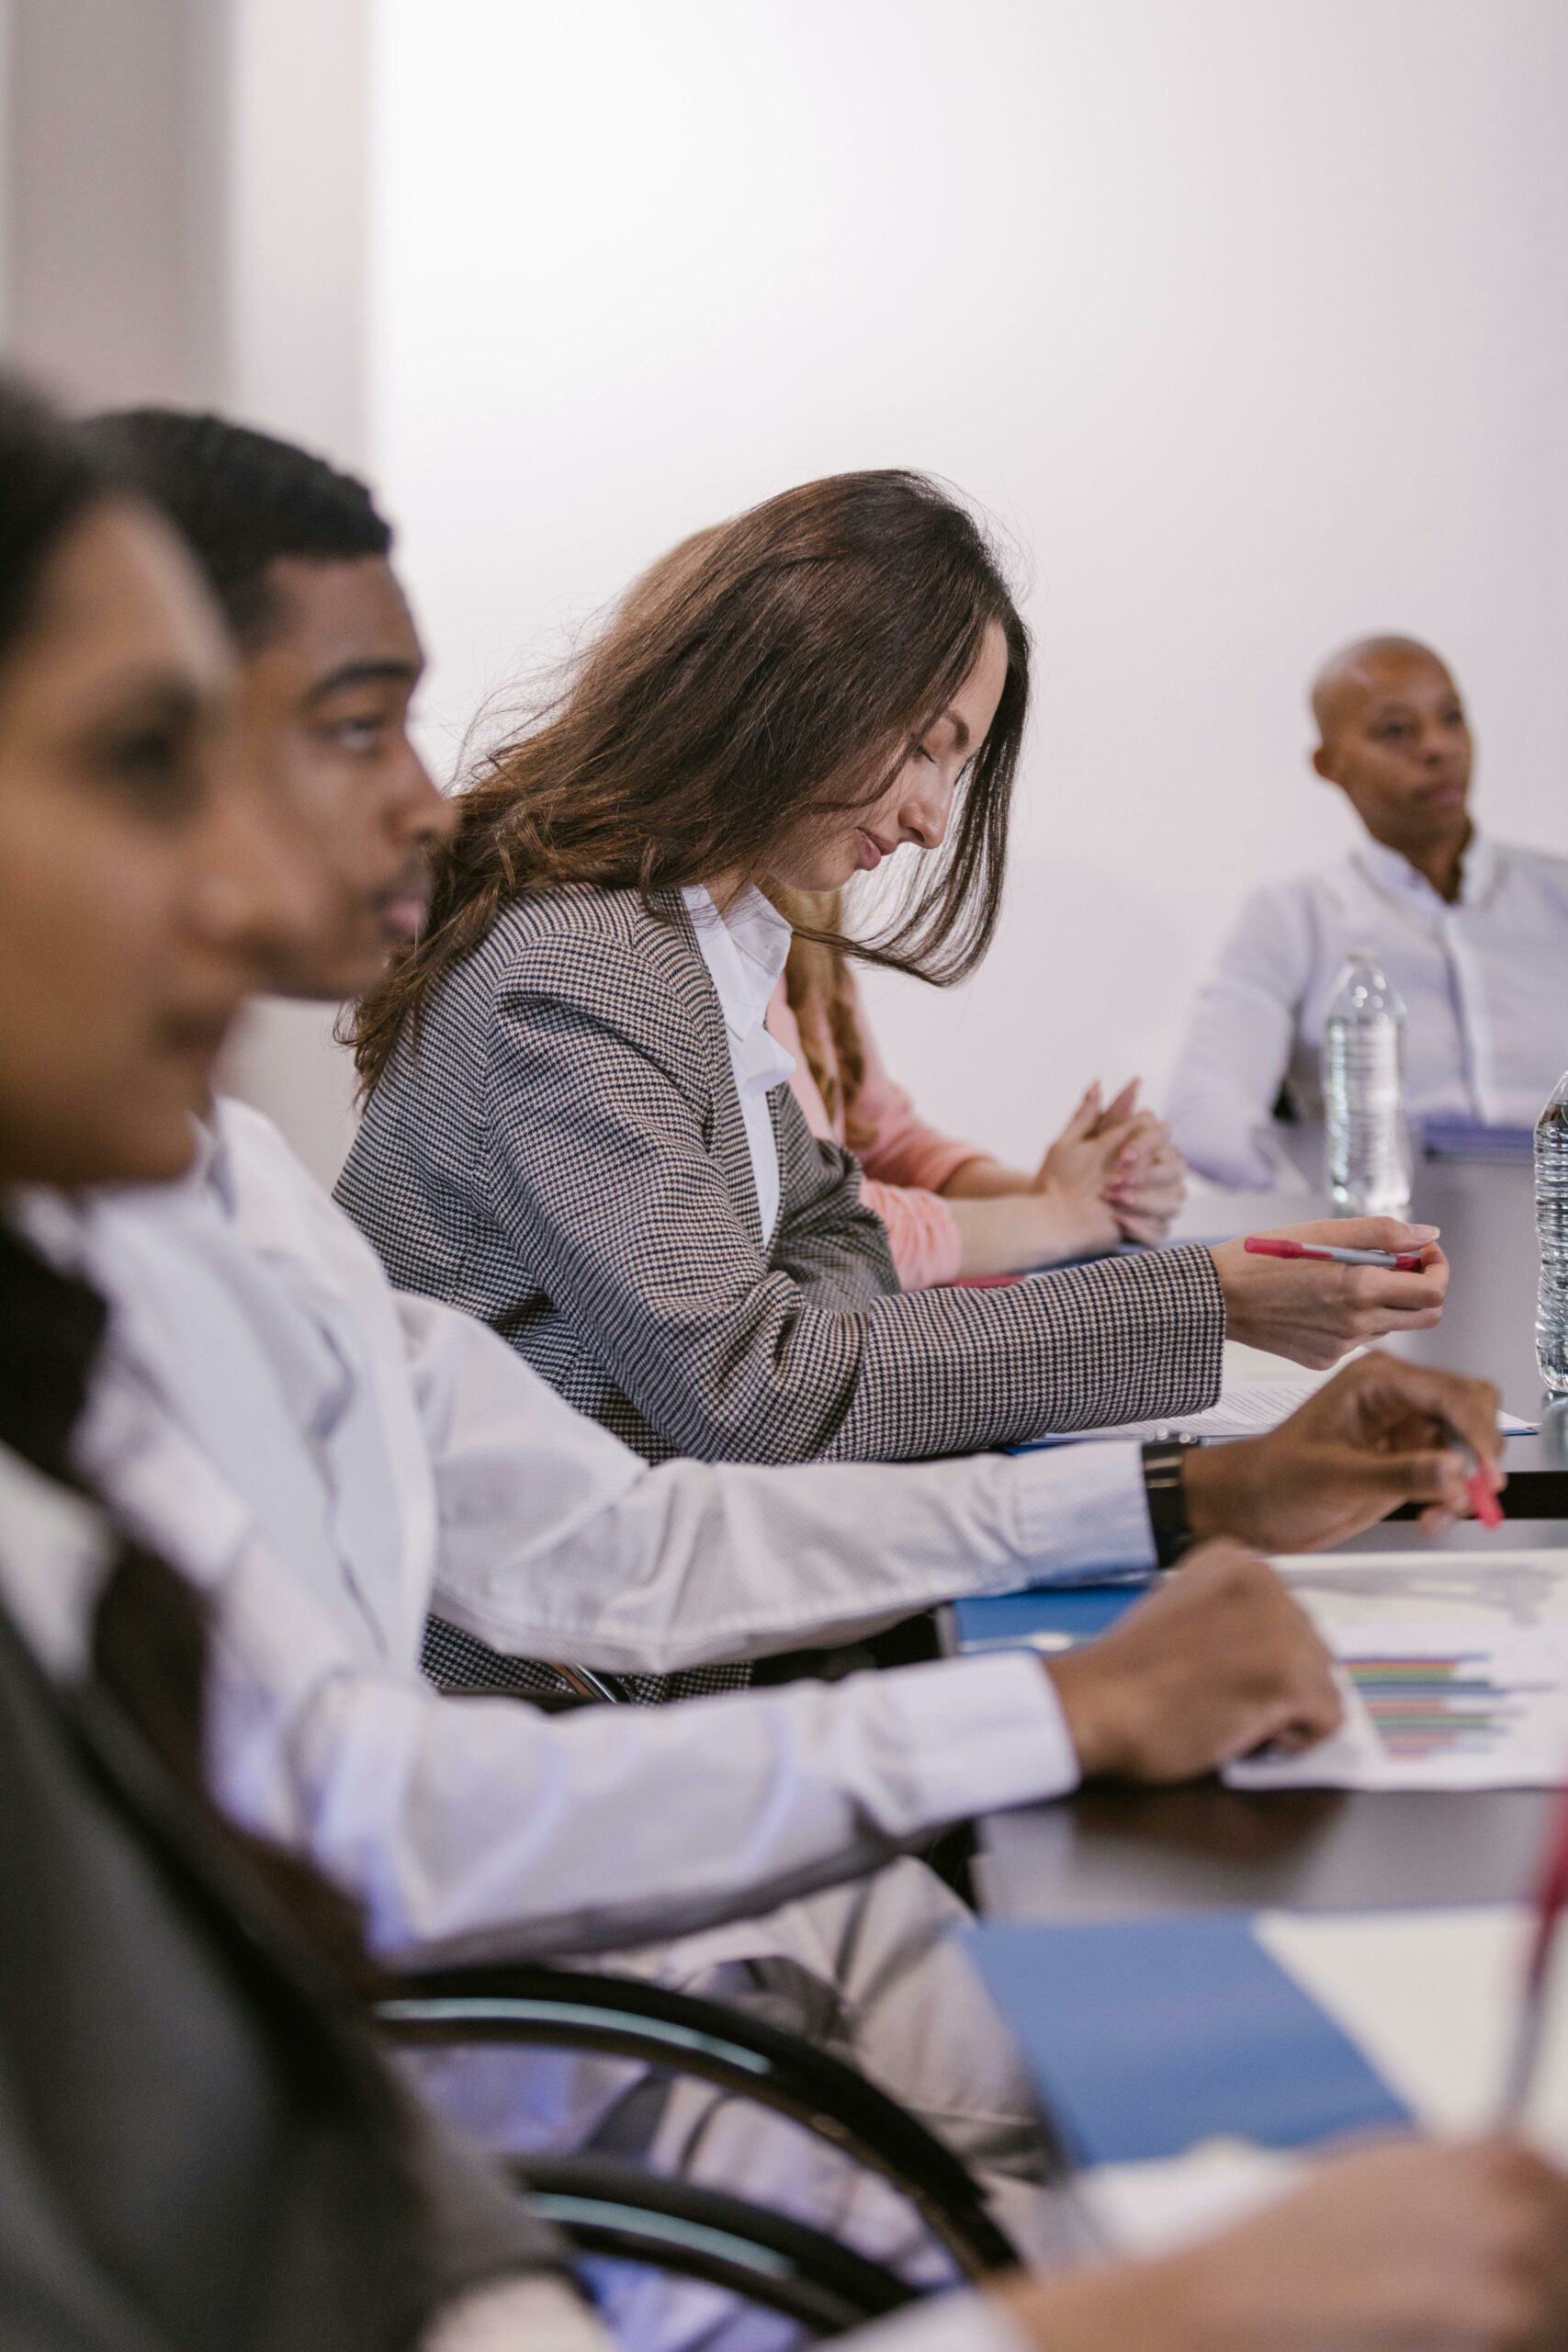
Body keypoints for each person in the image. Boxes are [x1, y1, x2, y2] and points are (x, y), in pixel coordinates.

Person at [2, 402, 1562, 2352]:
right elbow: (750, 1386)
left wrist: (1180, 1502)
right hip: (549, 1914)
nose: (417, 801)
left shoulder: (263, 1200)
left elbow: (632, 1525)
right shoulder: (581, 974)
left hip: (583, 1832)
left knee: (1261, 2132)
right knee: (1224, 2167)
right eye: (192, 754)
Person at [337, 475, 1450, 1477]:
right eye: (929, 747)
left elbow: (837, 1228)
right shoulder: (582, 972)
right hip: (555, 1678)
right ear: (806, 681)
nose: (929, 820)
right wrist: (1211, 1299)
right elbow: (762, 1390)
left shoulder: (693, 949)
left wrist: (799, 1311)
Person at [1169, 634, 1568, 1189]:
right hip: (1391, 1236)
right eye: (1395, 730)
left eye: (1451, 718)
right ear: (1330, 764)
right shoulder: (1293, 917)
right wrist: (1322, 1221)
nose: (1437, 747)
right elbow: (1205, 1118)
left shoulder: (1558, 897)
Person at [770, 885, 1183, 1286]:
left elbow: (884, 1145)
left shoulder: (812, 918)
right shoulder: (732, 948)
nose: (931, 828)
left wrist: (1087, 1191)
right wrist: (1060, 1216)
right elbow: (824, 1224)